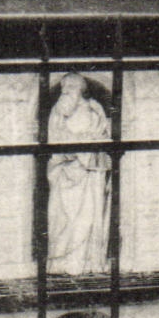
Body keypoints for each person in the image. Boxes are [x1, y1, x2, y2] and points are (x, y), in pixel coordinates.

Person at [46, 74, 111, 275]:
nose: (65, 91)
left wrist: (86, 147)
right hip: (63, 172)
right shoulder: (57, 112)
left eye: (70, 87)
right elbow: (53, 140)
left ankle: (86, 261)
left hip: (89, 174)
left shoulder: (95, 110)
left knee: (88, 217)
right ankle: (60, 262)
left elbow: (102, 138)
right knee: (61, 217)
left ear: (80, 89)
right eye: (63, 87)